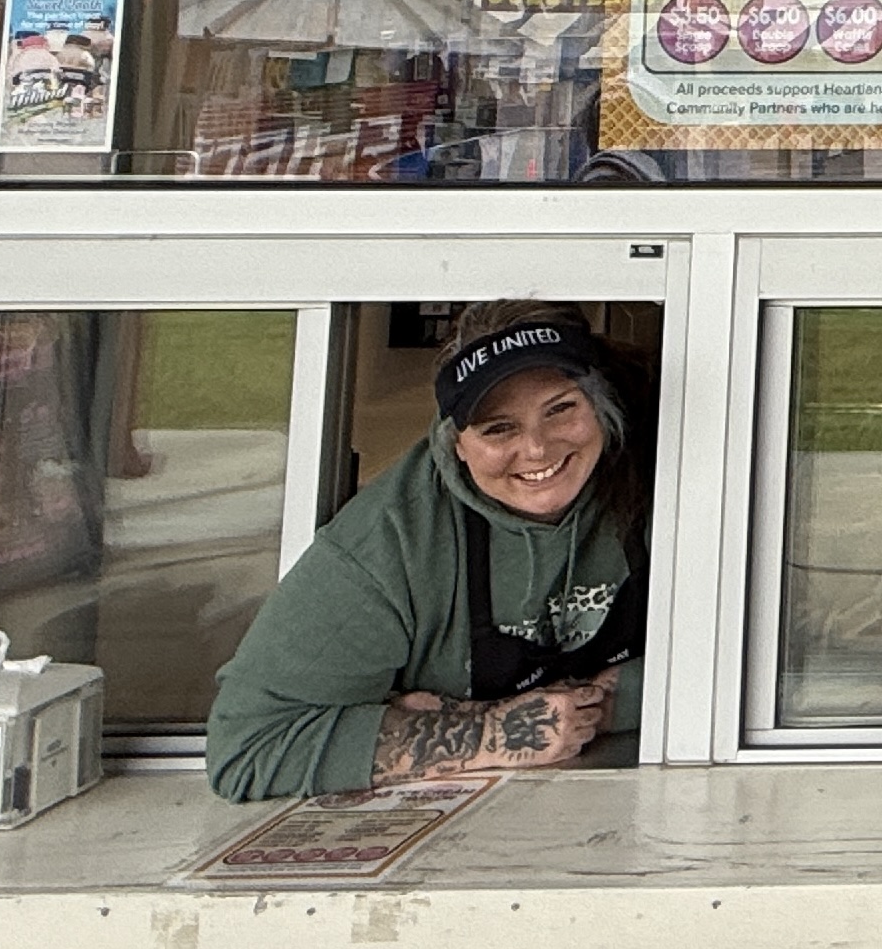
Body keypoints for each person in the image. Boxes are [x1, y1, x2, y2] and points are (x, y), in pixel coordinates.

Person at [205, 300, 644, 798]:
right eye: (499, 428)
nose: (538, 448)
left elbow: (748, 674)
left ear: (601, 408)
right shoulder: (390, 540)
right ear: (455, 441)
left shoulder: (661, 470)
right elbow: (247, 746)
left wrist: (607, 706)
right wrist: (494, 733)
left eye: (560, 409)